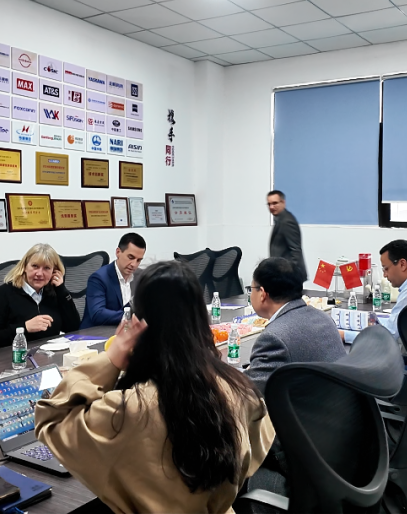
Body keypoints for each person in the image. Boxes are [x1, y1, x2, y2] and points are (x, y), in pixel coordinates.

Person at [35, 261, 275, 513]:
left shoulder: (127, 410)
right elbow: (254, 454)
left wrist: (110, 360)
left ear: (139, 324)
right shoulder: (238, 388)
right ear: (200, 319)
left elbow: (53, 419)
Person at [244, 257, 346, 394]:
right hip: (339, 402)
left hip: (309, 406)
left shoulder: (273, 338)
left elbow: (249, 391)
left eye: (251, 289)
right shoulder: (324, 318)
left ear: (262, 294)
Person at [0, 243, 80, 348]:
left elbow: (73, 328)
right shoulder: (4, 294)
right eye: (35, 266)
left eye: (47, 268)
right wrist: (25, 328)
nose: (39, 273)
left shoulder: (54, 293)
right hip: (15, 355)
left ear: (54, 271)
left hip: (50, 354)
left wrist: (61, 290)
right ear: (24, 267)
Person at [81, 232, 145, 329]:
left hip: (127, 331)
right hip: (96, 333)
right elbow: (98, 314)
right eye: (131, 257)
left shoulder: (141, 276)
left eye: (138, 260)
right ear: (118, 252)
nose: (134, 264)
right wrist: (130, 316)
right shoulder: (99, 278)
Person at [267, 190, 307, 284]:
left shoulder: (287, 221)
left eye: (275, 203)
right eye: (269, 204)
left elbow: (295, 251)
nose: (271, 207)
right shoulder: (280, 219)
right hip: (282, 274)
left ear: (283, 203)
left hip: (288, 277)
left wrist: (288, 276)